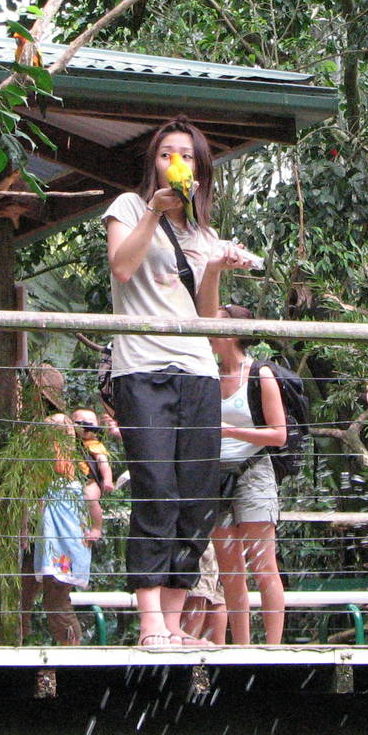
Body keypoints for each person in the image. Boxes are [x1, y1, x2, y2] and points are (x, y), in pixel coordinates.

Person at [102, 118, 255, 648]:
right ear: (155, 164)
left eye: (186, 156)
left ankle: (172, 623)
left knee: (195, 497)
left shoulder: (204, 233)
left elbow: (209, 321)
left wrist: (215, 266)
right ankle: (148, 624)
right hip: (142, 367)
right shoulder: (127, 207)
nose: (177, 163)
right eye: (167, 154)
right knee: (156, 490)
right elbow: (122, 269)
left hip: (197, 370)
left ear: (200, 168)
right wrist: (153, 210)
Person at [209, 303, 287, 645]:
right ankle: (240, 647)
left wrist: (230, 432)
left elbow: (279, 434)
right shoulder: (208, 375)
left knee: (262, 565)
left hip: (254, 471)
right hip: (216, 477)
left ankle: (272, 647)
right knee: (229, 571)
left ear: (234, 332)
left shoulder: (260, 374)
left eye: (218, 323)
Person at [32, 413, 104, 646]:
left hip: (66, 549)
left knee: (57, 599)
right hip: (54, 546)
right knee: (53, 599)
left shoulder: (76, 481)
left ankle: (72, 646)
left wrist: (96, 528)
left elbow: (93, 502)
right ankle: (67, 644)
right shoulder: (50, 478)